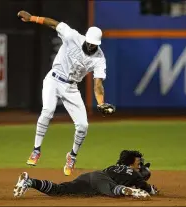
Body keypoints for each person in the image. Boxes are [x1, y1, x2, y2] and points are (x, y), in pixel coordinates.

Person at [17, 11, 116, 176]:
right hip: (53, 79)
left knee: (83, 125)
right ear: (86, 38)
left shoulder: (99, 58)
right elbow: (53, 23)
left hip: (71, 87)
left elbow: (98, 84)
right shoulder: (72, 36)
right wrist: (32, 18)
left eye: (95, 44)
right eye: (91, 42)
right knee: (47, 111)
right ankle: (36, 150)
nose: (92, 46)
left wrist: (100, 103)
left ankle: (72, 156)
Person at [13, 150, 159, 200]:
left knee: (60, 191)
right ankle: (128, 191)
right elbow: (150, 190)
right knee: (113, 190)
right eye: (138, 163)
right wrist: (149, 186)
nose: (139, 166)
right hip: (102, 182)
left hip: (89, 177)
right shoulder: (134, 173)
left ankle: (30, 181)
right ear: (130, 164)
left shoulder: (112, 167)